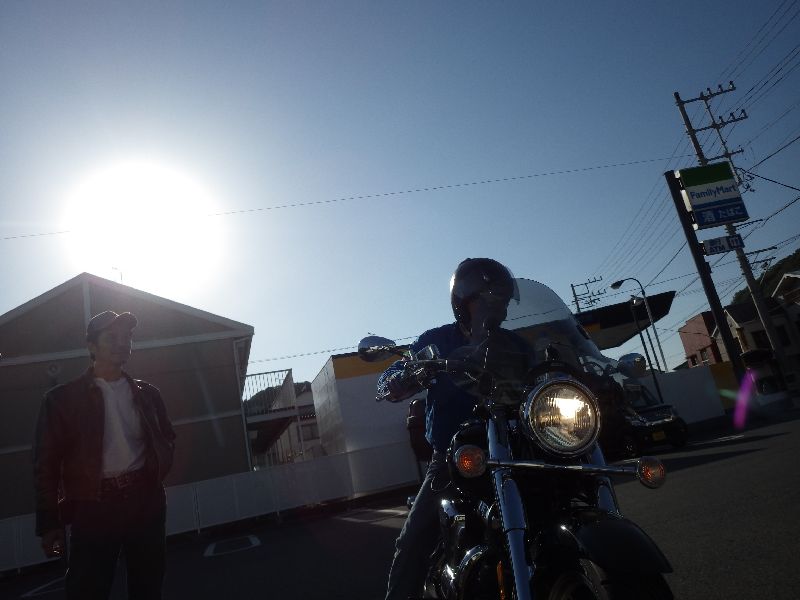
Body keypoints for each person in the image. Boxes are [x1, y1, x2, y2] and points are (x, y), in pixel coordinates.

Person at [378, 258, 523, 600]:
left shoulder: (515, 346)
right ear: (464, 302)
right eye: (488, 298)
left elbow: (548, 369)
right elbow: (392, 374)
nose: (498, 307)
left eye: (502, 300)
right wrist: (399, 379)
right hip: (454, 457)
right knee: (412, 542)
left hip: (514, 448)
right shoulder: (438, 341)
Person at [33, 311, 176, 600]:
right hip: (93, 507)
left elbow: (166, 438)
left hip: (145, 501)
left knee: (148, 590)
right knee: (86, 591)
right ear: (91, 346)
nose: (122, 343)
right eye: (112, 337)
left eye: (127, 337)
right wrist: (49, 523)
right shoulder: (61, 400)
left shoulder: (148, 394)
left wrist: (155, 479)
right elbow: (46, 464)